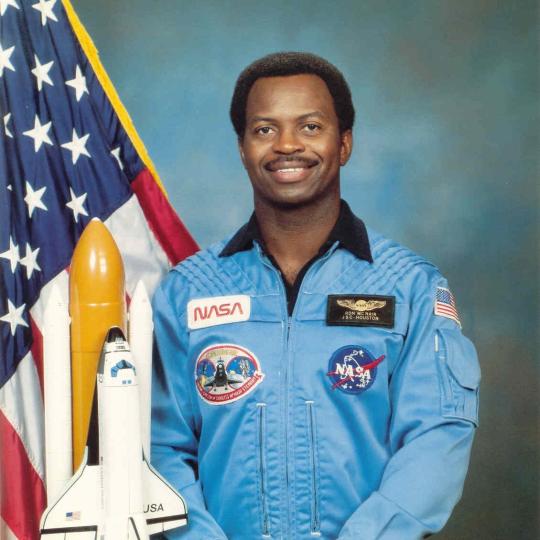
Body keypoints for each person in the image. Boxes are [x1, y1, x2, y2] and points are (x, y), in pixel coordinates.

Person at [151, 52, 480, 540]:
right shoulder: (188, 291)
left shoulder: (407, 286)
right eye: (264, 129)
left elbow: (436, 437)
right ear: (242, 147)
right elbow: (160, 449)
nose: (287, 145)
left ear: (343, 143)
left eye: (309, 126)